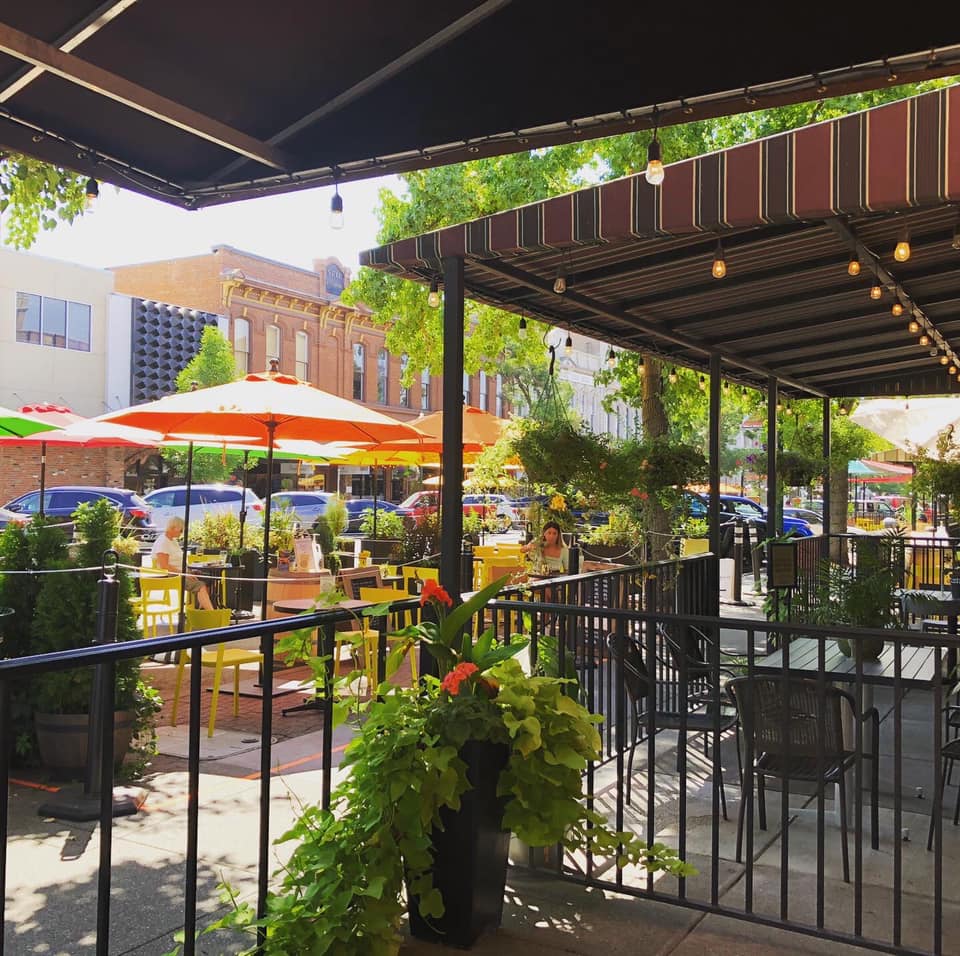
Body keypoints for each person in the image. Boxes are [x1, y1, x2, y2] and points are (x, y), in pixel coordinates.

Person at [150, 516, 215, 610]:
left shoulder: (172, 540)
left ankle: (200, 610)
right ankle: (211, 613)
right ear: (174, 528)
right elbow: (164, 566)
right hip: (173, 575)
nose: (182, 532)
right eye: (181, 530)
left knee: (209, 579)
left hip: (182, 572)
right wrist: (185, 574)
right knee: (199, 585)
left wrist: (189, 571)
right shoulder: (163, 542)